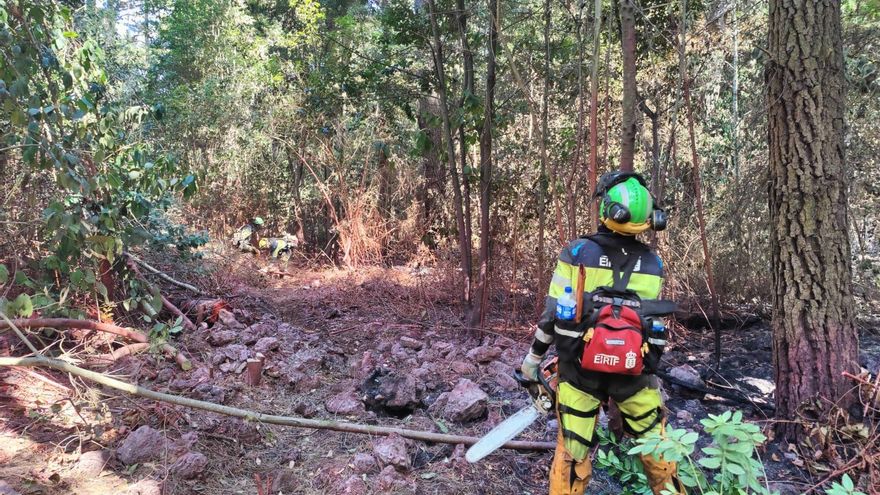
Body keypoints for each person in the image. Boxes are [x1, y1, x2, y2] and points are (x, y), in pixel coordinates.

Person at [521, 171, 684, 495]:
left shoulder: (577, 253)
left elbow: (552, 315)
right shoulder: (654, 264)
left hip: (579, 372)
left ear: (608, 210)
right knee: (659, 452)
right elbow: (645, 321)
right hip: (634, 374)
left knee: (572, 454)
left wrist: (533, 360)